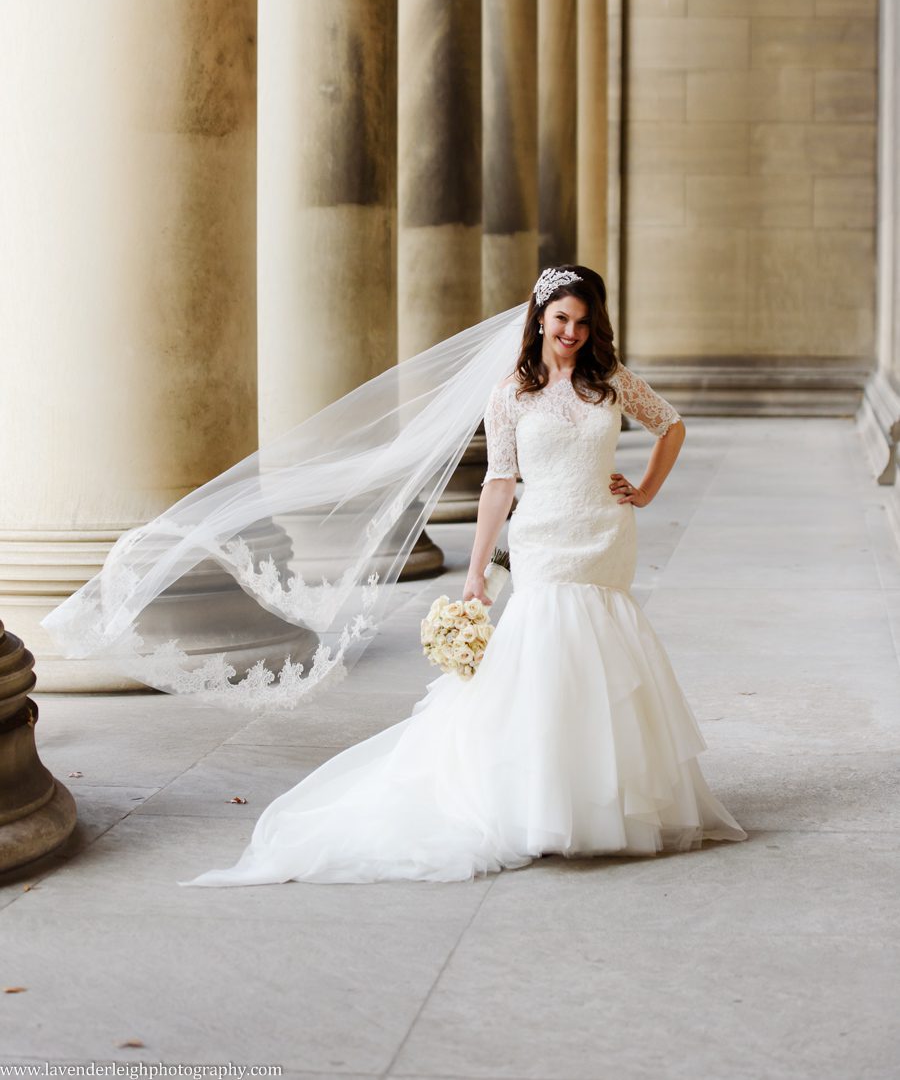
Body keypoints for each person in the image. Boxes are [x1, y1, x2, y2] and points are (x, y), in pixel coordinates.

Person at [178, 265, 746, 887]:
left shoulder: (609, 380)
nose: (572, 333)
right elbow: (499, 482)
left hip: (605, 534)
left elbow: (672, 425)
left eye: (584, 322)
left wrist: (644, 491)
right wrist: (476, 571)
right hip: (544, 538)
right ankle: (544, 802)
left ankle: (600, 798)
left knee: (603, 654)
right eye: (562, 319)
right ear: (538, 317)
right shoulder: (511, 394)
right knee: (548, 654)